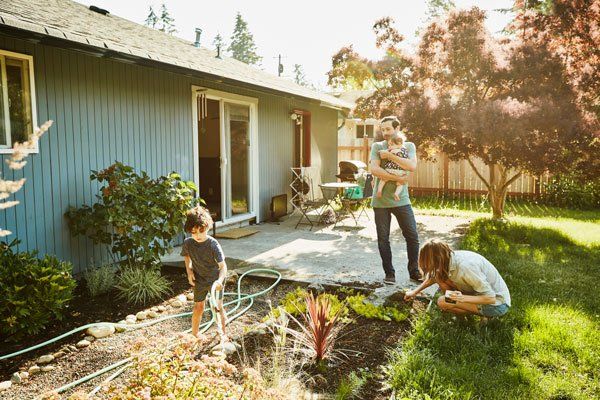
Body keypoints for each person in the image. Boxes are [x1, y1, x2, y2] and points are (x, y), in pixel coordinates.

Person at [370, 116, 421, 284]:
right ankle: (389, 273)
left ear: (397, 127)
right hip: (381, 201)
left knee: (412, 236)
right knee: (383, 239)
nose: (384, 133)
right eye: (382, 130)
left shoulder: (409, 146)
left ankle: (414, 271)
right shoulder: (377, 146)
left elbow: (411, 167)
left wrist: (390, 157)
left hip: (402, 200)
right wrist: (398, 178)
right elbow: (374, 169)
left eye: (388, 129)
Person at [404, 239, 511, 318]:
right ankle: (466, 309)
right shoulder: (449, 257)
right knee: (439, 277)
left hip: (497, 304)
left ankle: (483, 315)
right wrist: (414, 292)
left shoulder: (466, 268)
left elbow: (490, 298)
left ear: (437, 260)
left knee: (443, 301)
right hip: (478, 294)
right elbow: (433, 277)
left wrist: (461, 298)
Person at [181, 206, 228, 338]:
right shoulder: (188, 243)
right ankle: (195, 334)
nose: (198, 235)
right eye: (194, 232)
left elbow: (223, 267)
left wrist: (219, 281)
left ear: (207, 227)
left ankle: (223, 335)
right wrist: (189, 272)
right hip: (200, 279)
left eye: (201, 231)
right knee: (198, 307)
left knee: (217, 308)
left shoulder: (213, 245)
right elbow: (186, 256)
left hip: (215, 281)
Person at [376, 131, 409, 201]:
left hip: (391, 169)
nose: (389, 146)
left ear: (399, 143)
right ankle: (396, 193)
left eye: (391, 145)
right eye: (389, 145)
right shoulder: (405, 150)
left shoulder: (395, 150)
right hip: (400, 171)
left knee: (383, 179)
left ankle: (379, 190)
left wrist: (381, 152)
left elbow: (385, 153)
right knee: (400, 184)